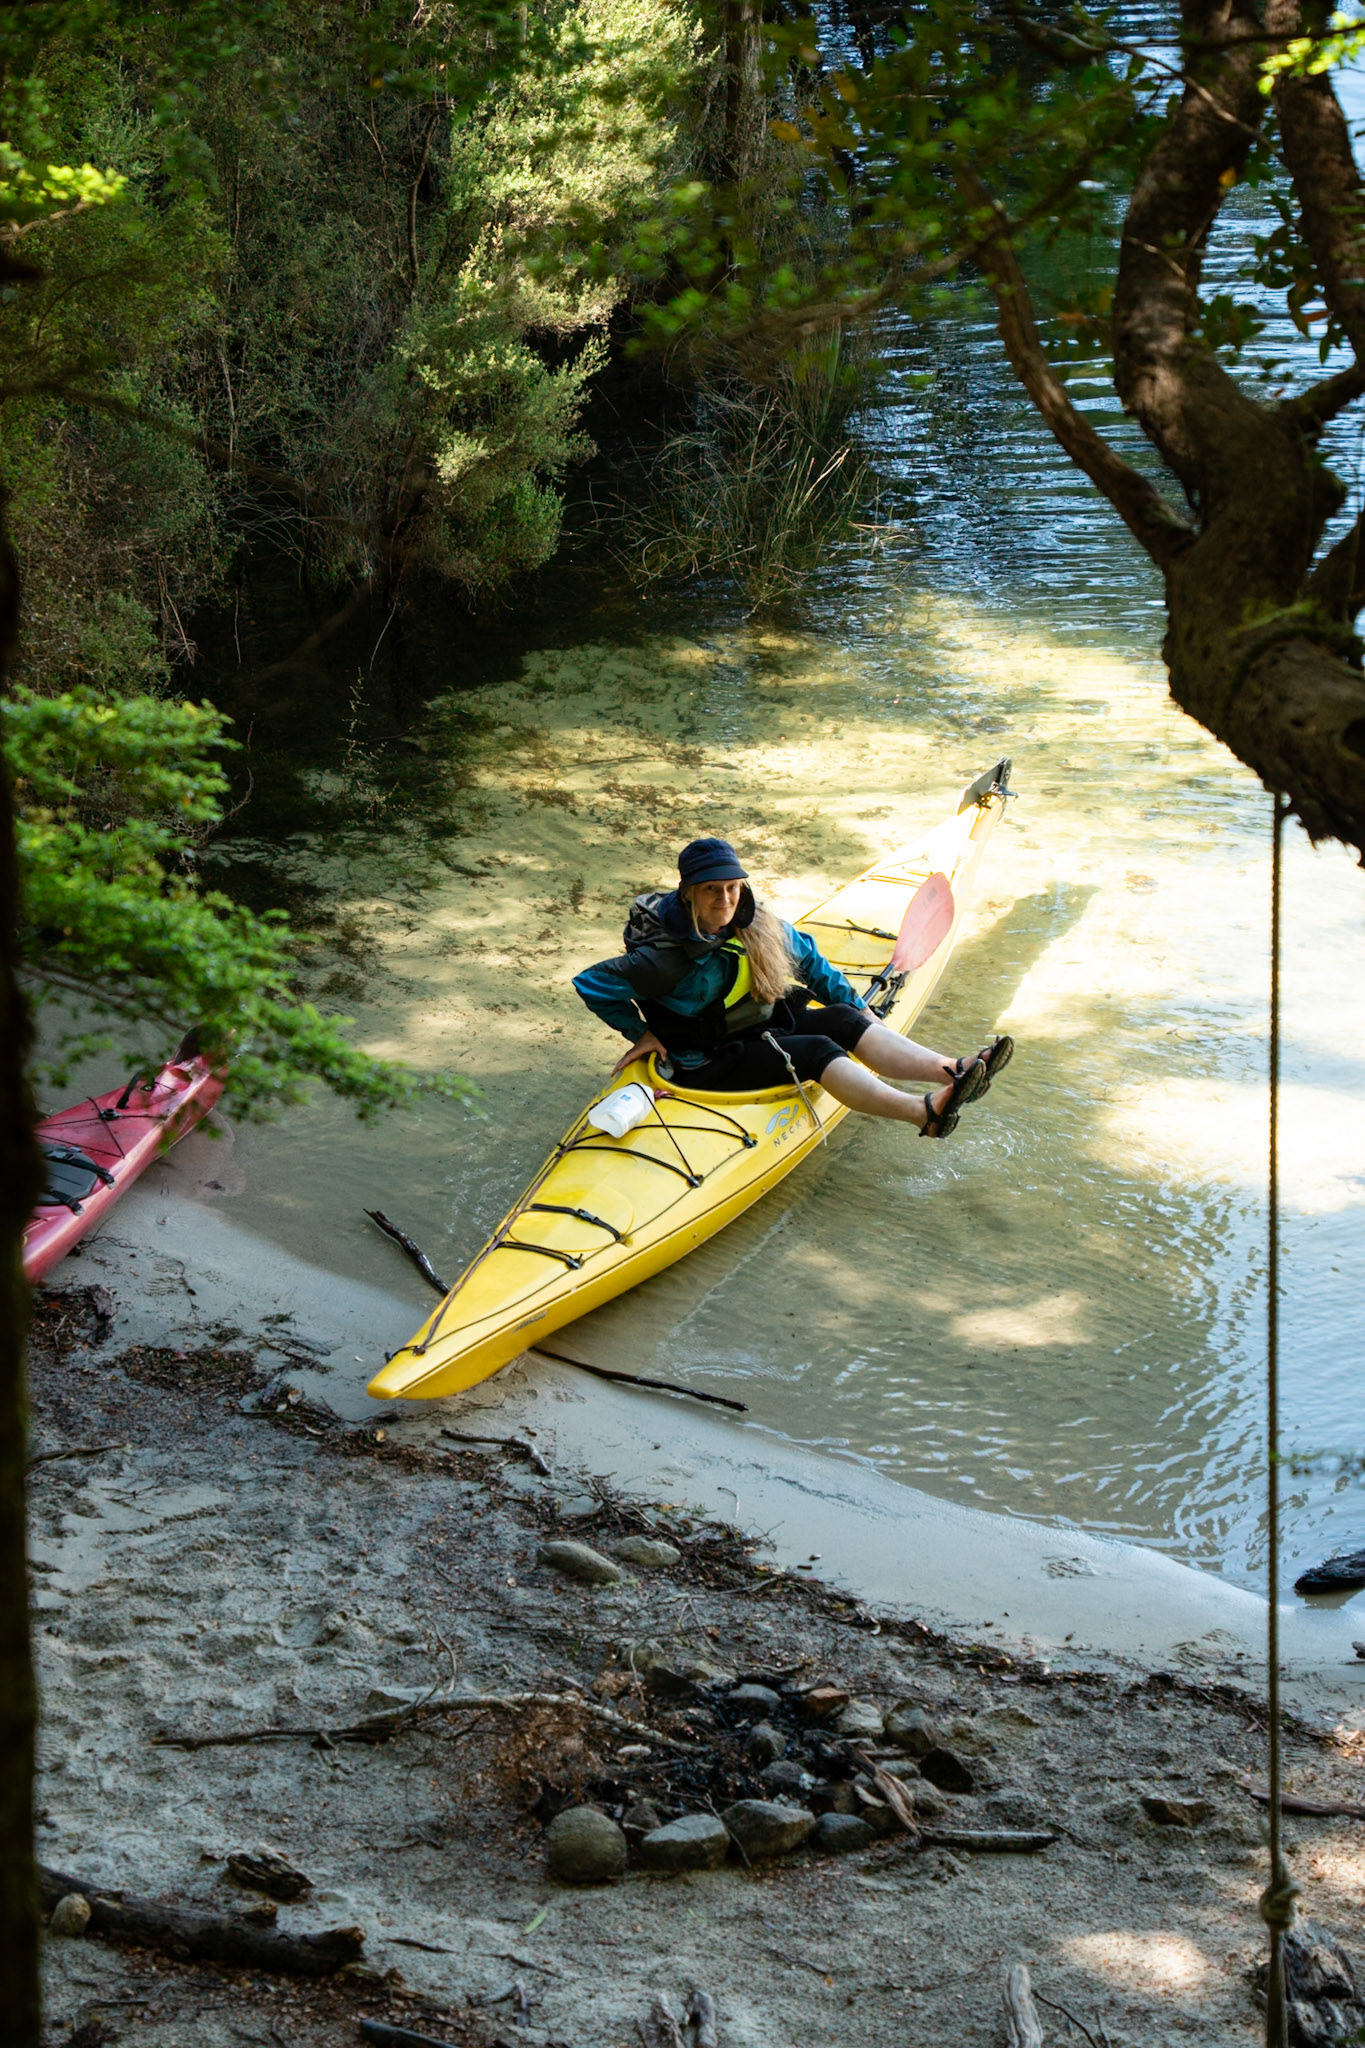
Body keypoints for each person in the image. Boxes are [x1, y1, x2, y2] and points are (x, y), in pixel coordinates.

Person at [573, 836, 1012, 1139]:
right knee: (816, 1049)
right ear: (688, 893)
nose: (725, 900)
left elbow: (810, 960)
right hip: (706, 1060)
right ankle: (925, 1112)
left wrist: (858, 1005)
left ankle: (954, 1070)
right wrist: (641, 1033)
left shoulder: (753, 920)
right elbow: (591, 983)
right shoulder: (661, 958)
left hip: (756, 1025)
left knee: (840, 1017)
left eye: (732, 887)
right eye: (711, 891)